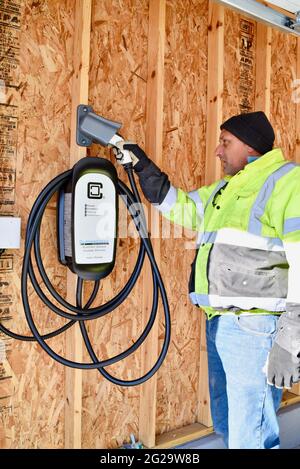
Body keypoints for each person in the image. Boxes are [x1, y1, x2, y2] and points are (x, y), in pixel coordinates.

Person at [113, 111, 300, 449]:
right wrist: (143, 167)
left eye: (225, 142)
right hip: (220, 324)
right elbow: (183, 207)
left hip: (255, 328)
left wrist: (290, 337)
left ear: (250, 146)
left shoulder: (288, 181)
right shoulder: (227, 189)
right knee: (230, 426)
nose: (217, 150)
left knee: (251, 436)